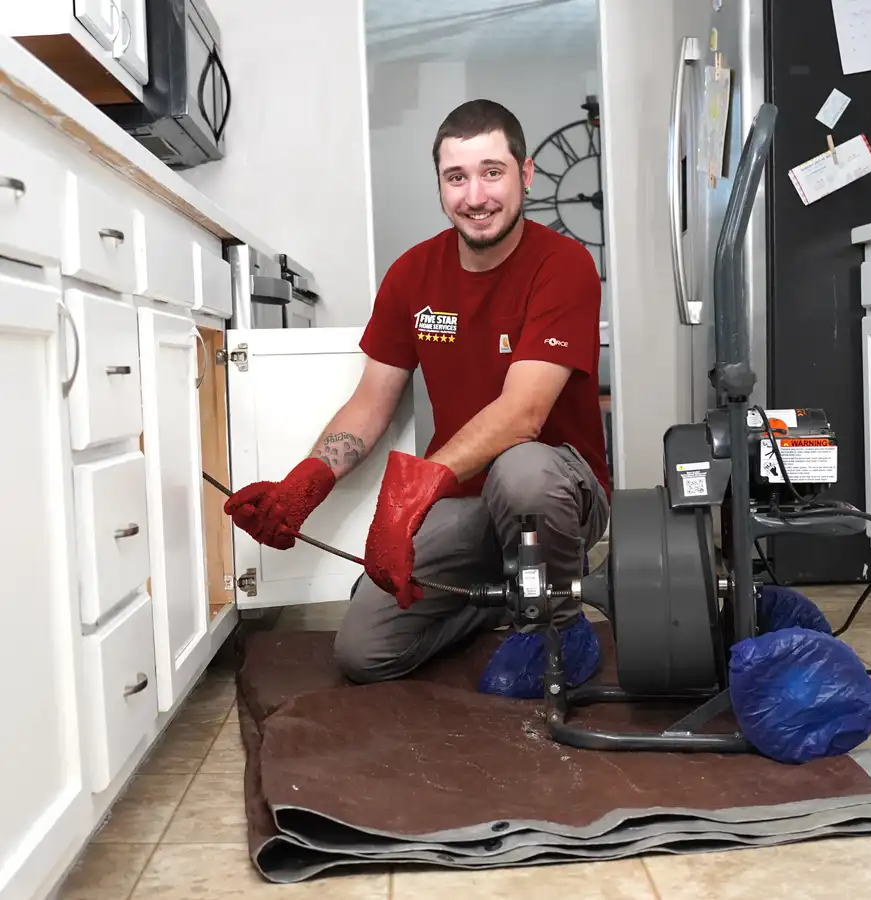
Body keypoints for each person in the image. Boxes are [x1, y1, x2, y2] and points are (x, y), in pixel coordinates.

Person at [224, 99, 611, 699]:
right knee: (363, 651)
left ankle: (560, 626)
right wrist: (303, 485)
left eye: (492, 172)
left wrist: (411, 495)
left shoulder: (564, 265)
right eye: (456, 178)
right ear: (440, 185)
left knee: (521, 469)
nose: (475, 196)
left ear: (525, 175)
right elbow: (371, 401)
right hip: (465, 497)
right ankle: (504, 597)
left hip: (556, 490)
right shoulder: (413, 274)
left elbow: (523, 415)